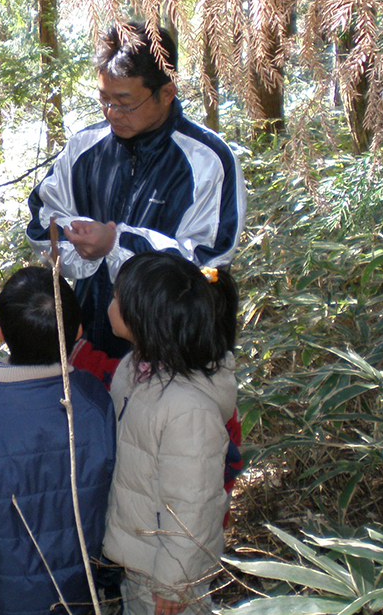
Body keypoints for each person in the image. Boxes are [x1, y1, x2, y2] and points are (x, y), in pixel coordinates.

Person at [26, 21, 247, 361]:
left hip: (172, 355)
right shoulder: (85, 148)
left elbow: (207, 267)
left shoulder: (207, 160)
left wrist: (117, 245)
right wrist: (81, 246)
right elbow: (42, 221)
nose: (112, 113)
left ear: (166, 92)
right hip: (90, 345)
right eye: (104, 99)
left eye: (125, 102)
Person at [0, 266, 116, 615]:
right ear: (78, 331)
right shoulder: (94, 398)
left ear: (1, 333)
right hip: (77, 588)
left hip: (2, 592)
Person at [103, 252, 239, 615]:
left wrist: (174, 583)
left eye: (117, 297)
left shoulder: (187, 409)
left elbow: (193, 506)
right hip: (138, 555)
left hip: (167, 578)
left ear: (145, 318)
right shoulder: (136, 368)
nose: (109, 304)